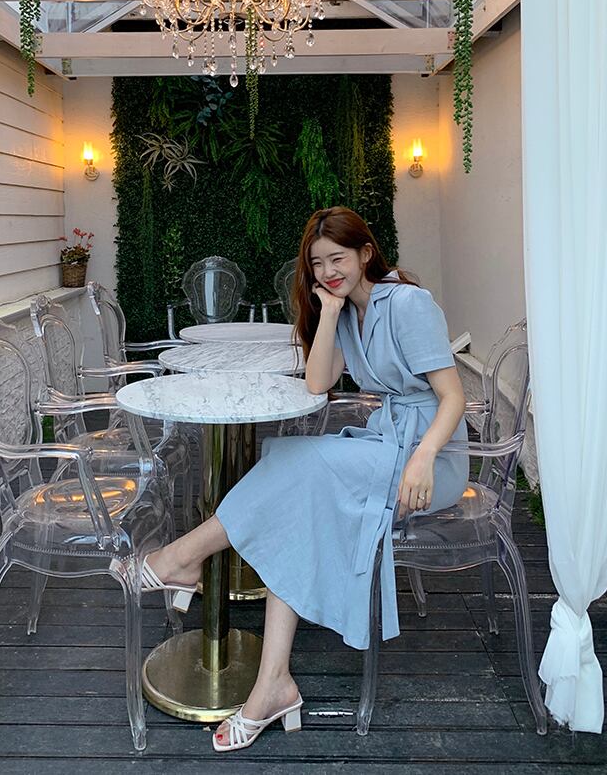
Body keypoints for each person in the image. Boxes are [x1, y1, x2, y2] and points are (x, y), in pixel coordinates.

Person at [143, 206, 469, 753]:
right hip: (385, 444)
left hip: (430, 461)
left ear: (366, 253)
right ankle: (273, 683)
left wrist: (423, 456)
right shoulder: (349, 309)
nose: (327, 271)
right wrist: (331, 310)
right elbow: (318, 382)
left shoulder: (407, 304)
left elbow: (453, 396)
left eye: (337, 259)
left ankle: (181, 558)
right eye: (317, 263)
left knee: (300, 468)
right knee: (294, 489)